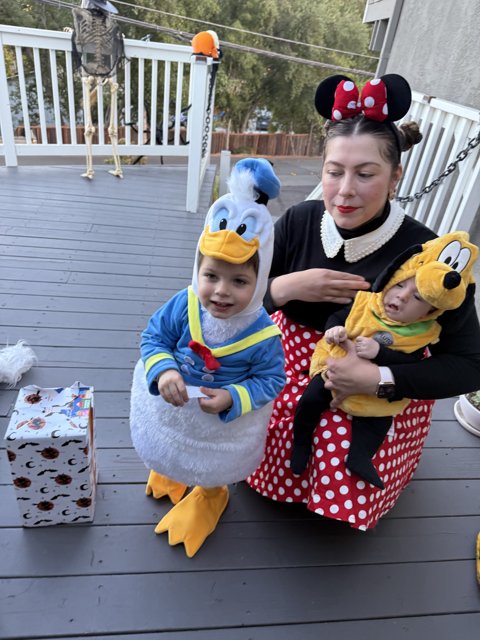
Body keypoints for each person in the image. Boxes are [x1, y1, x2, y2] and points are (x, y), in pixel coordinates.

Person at [246, 73, 480, 531]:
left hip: (379, 379)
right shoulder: (299, 220)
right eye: (334, 172)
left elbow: (470, 363)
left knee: (343, 431)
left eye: (365, 174)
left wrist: (379, 376)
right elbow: (232, 295)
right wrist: (288, 287)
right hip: (286, 361)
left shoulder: (427, 256)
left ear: (396, 176)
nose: (345, 190)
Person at [130, 158, 286, 556]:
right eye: (211, 276)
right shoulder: (184, 304)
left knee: (209, 463)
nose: (221, 292)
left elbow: (271, 379)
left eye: (239, 281)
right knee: (171, 447)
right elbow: (155, 336)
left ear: (260, 279)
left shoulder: (263, 333)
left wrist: (234, 398)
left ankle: (211, 495)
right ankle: (169, 471)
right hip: (174, 402)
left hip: (220, 423)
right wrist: (163, 370)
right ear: (197, 268)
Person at [290, 231, 478, 487]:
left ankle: (359, 457)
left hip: (378, 391)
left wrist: (380, 355)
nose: (401, 296)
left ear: (431, 311)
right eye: (399, 285)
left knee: (377, 423)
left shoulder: (422, 333)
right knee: (311, 398)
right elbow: (338, 317)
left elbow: (410, 363)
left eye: (417, 297)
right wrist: (335, 329)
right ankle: (300, 441)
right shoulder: (367, 303)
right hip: (334, 370)